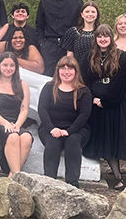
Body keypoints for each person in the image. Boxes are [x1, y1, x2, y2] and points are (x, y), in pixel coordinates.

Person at [82, 25, 126, 190]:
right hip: (97, 104)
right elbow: (86, 81)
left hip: (118, 102)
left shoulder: (121, 56)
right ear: (95, 39)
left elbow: (122, 80)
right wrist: (94, 98)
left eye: (106, 36)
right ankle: (117, 177)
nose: (103, 39)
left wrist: (107, 100)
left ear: (111, 38)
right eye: (99, 36)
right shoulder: (89, 57)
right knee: (107, 140)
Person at [38, 56, 92, 187]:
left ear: (76, 71)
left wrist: (68, 131)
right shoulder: (49, 87)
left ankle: (72, 184)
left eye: (70, 68)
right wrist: (52, 129)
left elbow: (84, 115)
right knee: (52, 142)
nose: (66, 72)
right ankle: (49, 183)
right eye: (63, 68)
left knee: (72, 141)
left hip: (77, 130)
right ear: (58, 70)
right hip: (51, 128)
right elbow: (42, 109)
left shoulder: (84, 91)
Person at [0, 52, 33, 177]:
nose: (8, 68)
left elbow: (24, 109)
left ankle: (12, 175)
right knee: (13, 137)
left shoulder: (22, 84)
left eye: (12, 65)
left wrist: (17, 125)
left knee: (26, 137)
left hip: (16, 122)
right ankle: (16, 174)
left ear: (16, 67)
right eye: (5, 65)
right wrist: (6, 124)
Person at [36, 0, 83, 76]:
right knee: (48, 78)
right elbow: (39, 25)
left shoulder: (78, 2)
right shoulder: (45, 1)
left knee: (69, 77)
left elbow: (80, 25)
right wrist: (42, 44)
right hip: (49, 47)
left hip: (70, 48)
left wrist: (75, 45)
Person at [61, 1, 100, 66]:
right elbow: (70, 56)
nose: (90, 14)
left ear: (97, 15)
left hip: (98, 69)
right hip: (79, 70)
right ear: (82, 14)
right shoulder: (73, 32)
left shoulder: (101, 32)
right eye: (87, 12)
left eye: (93, 12)